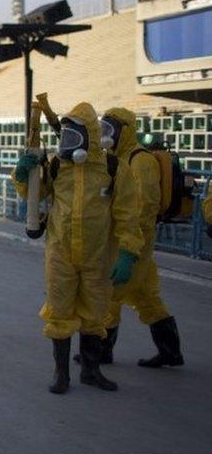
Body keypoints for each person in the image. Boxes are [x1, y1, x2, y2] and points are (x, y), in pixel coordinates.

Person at [13, 102, 143, 395]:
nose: (67, 146)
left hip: (98, 255)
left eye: (73, 139)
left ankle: (90, 370)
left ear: (90, 138)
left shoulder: (113, 168)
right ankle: (62, 374)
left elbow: (127, 213)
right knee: (59, 312)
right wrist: (22, 174)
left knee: (95, 313)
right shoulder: (58, 166)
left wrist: (128, 251)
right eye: (64, 138)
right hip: (60, 252)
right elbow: (34, 192)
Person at [92, 108, 184, 368]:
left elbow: (144, 208)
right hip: (129, 241)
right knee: (146, 297)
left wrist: (128, 250)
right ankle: (171, 352)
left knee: (110, 293)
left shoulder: (140, 161)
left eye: (110, 130)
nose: (106, 136)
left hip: (134, 244)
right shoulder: (114, 158)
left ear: (126, 131)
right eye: (103, 129)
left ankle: (101, 351)